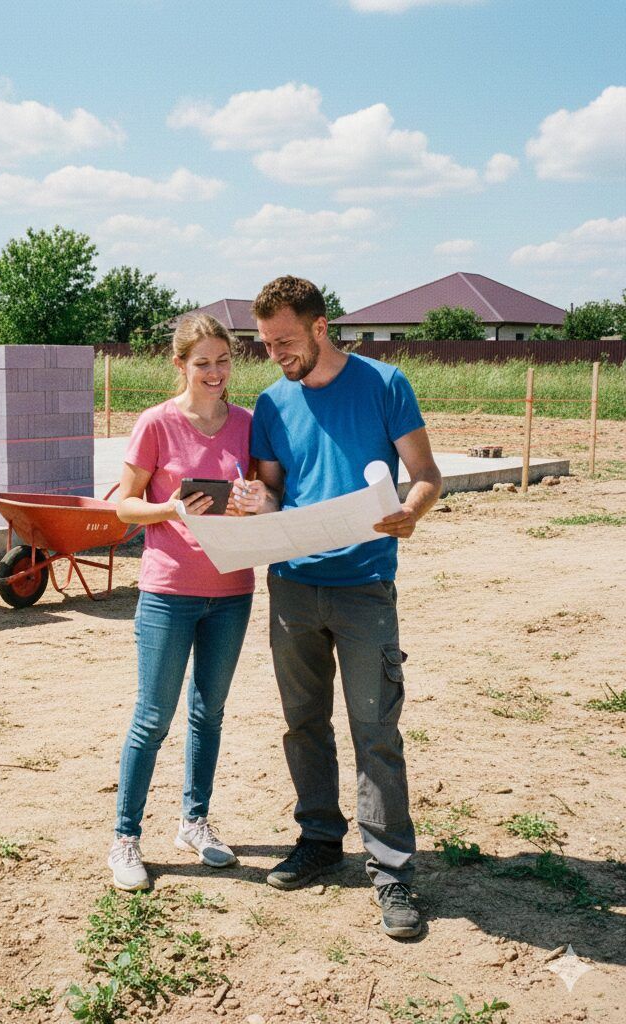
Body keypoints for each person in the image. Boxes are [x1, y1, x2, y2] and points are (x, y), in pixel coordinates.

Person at [235, 276, 442, 938]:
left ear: (321, 327)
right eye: (266, 344)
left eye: (286, 341)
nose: (277, 354)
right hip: (293, 584)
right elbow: (271, 495)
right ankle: (320, 841)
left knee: (376, 729)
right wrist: (251, 507)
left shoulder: (386, 385)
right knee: (303, 723)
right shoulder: (270, 402)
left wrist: (411, 512)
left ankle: (391, 873)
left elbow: (426, 475)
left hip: (364, 587)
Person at [108, 313, 255, 892]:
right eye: (202, 363)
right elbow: (123, 506)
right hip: (169, 591)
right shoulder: (157, 424)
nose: (214, 372)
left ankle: (194, 822)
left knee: (209, 713)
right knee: (152, 718)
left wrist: (254, 496)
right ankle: (125, 838)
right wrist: (172, 509)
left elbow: (269, 493)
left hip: (232, 591)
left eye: (223, 361)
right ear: (180, 364)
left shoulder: (246, 423)